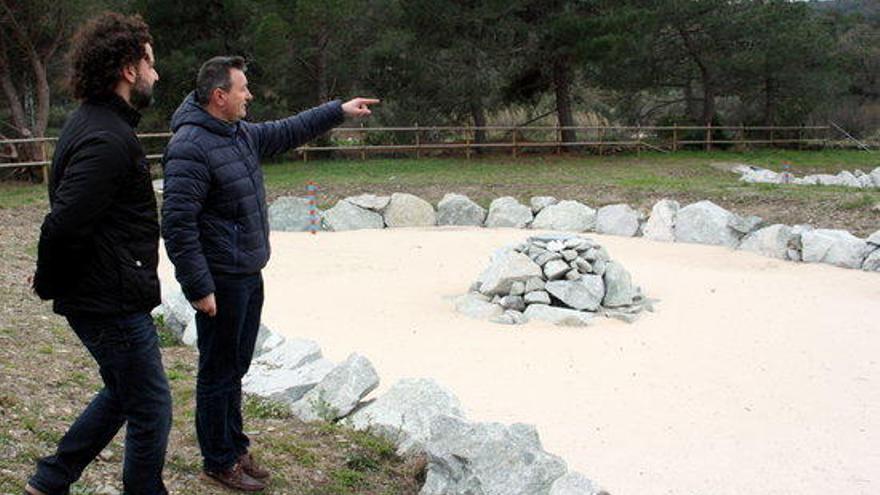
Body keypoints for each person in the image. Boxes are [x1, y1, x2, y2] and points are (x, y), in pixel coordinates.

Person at [161, 55, 377, 492]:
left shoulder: (236, 133)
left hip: (246, 272)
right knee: (218, 371)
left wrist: (337, 111)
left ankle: (235, 447)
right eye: (243, 89)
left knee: (235, 367)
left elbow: (288, 129)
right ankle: (218, 460)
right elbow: (177, 224)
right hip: (220, 279)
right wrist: (198, 287)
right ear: (220, 96)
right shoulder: (190, 145)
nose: (250, 96)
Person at [27, 13, 171, 495]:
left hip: (106, 292)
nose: (155, 73)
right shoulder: (106, 137)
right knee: (150, 407)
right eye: (149, 62)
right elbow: (64, 223)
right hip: (109, 301)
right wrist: (49, 280)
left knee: (122, 391)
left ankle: (51, 479)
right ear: (128, 69)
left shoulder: (98, 123)